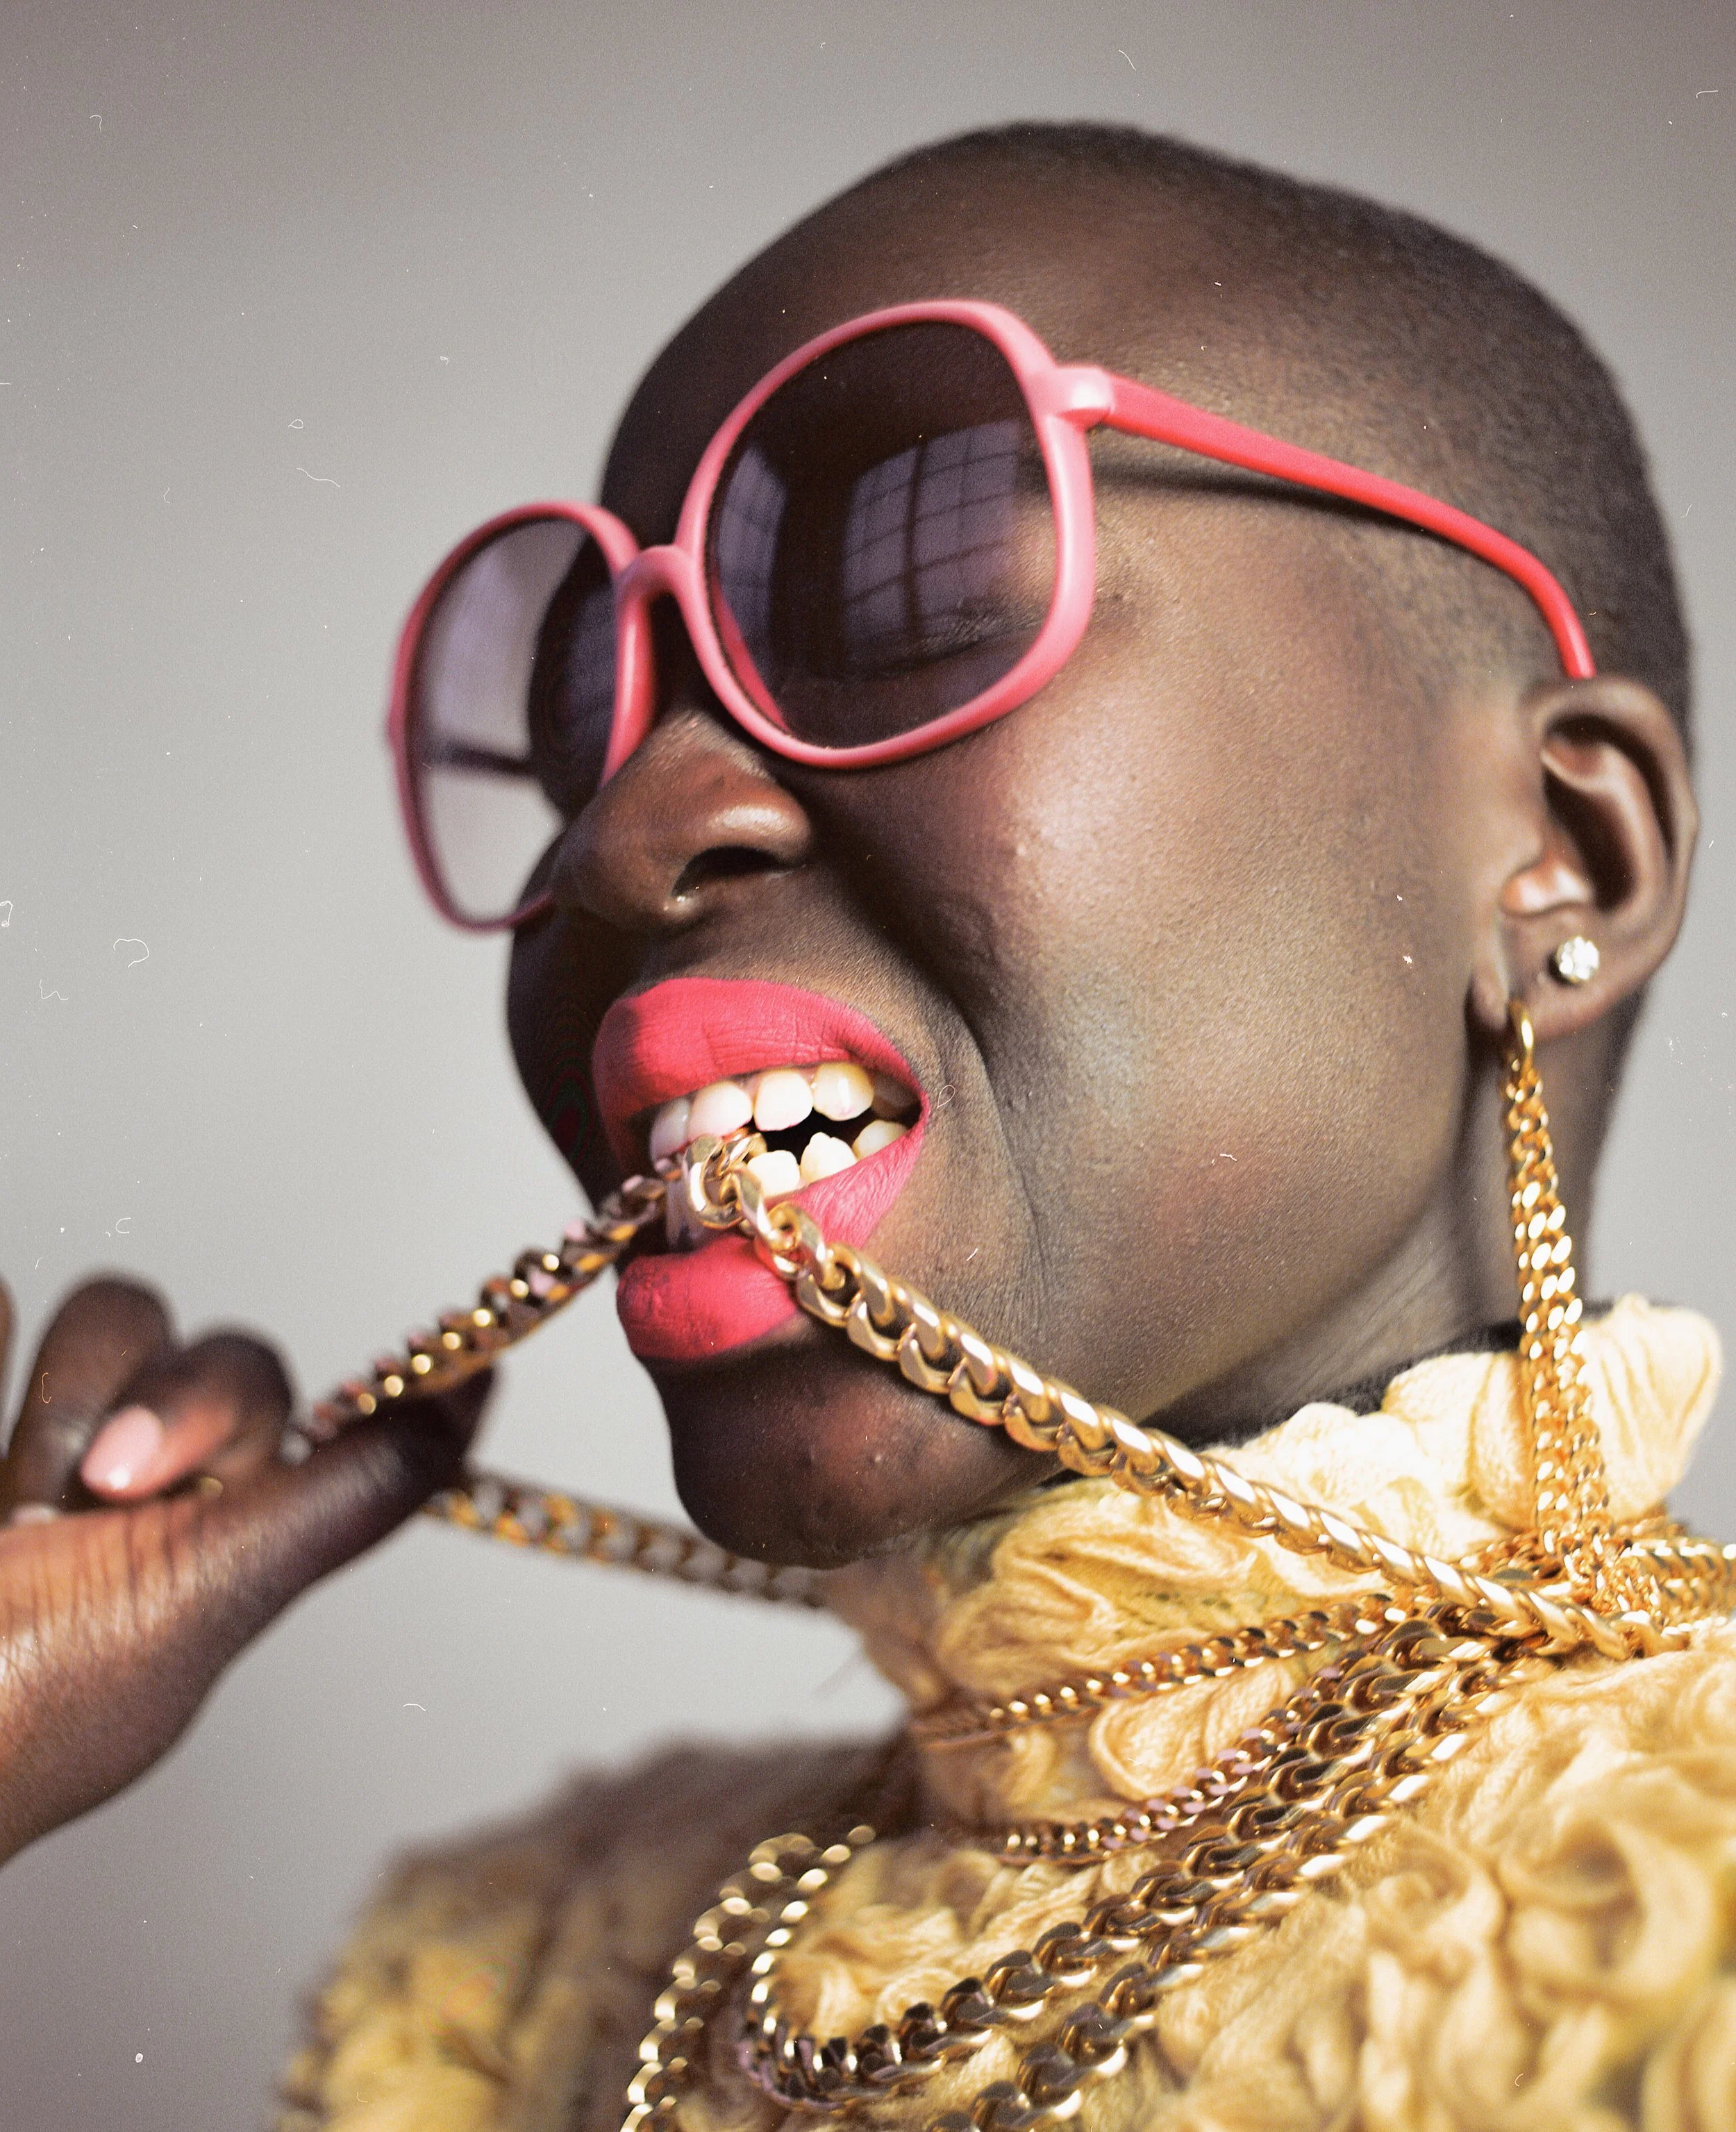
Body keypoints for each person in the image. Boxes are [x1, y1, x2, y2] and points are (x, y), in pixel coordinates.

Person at [1, 122, 1729, 2130]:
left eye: (904, 596)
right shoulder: (492, 1986)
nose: (624, 825)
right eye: (581, 709)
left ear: (1558, 852)